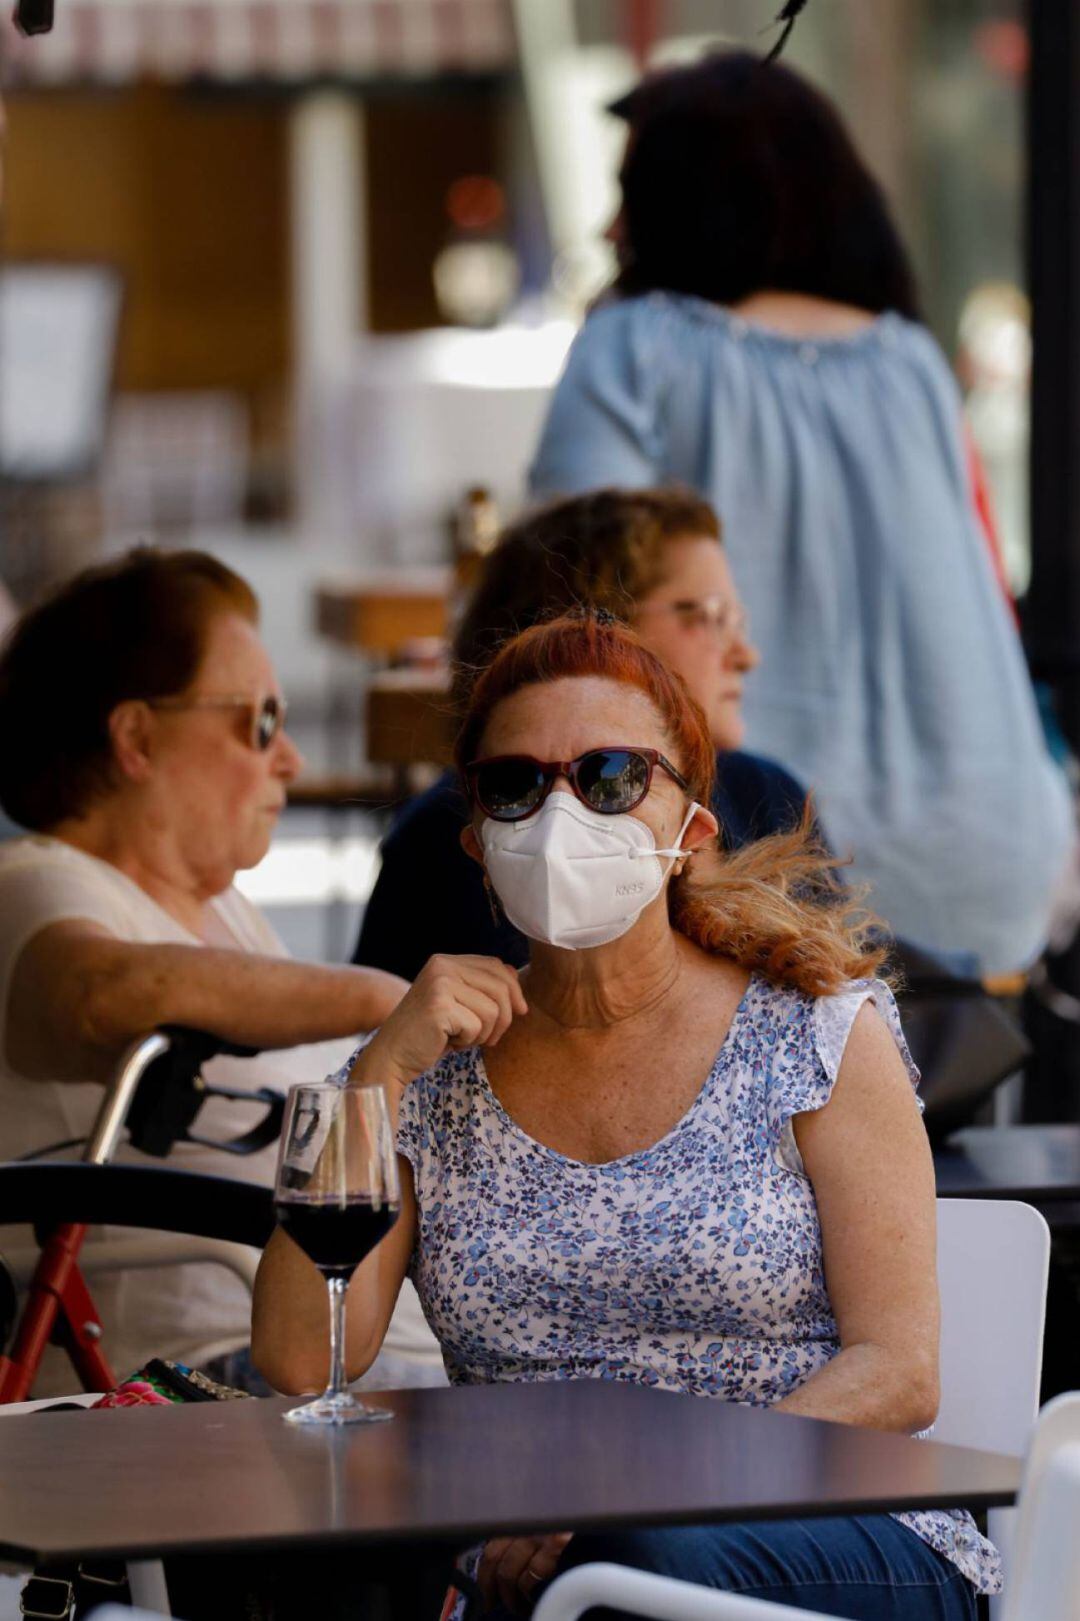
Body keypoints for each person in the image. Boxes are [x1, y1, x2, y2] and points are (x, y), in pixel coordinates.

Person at [254, 614, 998, 1620]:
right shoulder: (431, 1071)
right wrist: (380, 1067)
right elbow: (303, 1361)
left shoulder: (814, 1034)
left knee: (629, 1566)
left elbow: (898, 1374)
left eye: (608, 777)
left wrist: (627, 1502)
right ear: (477, 840)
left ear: (690, 830)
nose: (561, 813)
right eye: (517, 784)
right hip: (537, 1557)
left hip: (830, 1522)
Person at [529, 50, 1073, 978]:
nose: (612, 225)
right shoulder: (910, 361)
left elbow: (566, 602)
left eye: (632, 192)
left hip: (767, 867)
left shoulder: (635, 349)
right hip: (996, 861)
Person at [0, 548, 435, 1394]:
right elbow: (99, 997)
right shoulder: (35, 885)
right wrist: (386, 998)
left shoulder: (221, 910)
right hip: (195, 1375)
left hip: (345, 1356)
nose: (291, 759)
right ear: (136, 736)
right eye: (261, 721)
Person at [354, 487, 815, 982]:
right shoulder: (448, 837)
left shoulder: (766, 796)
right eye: (709, 616)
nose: (745, 655)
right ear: (590, 627)